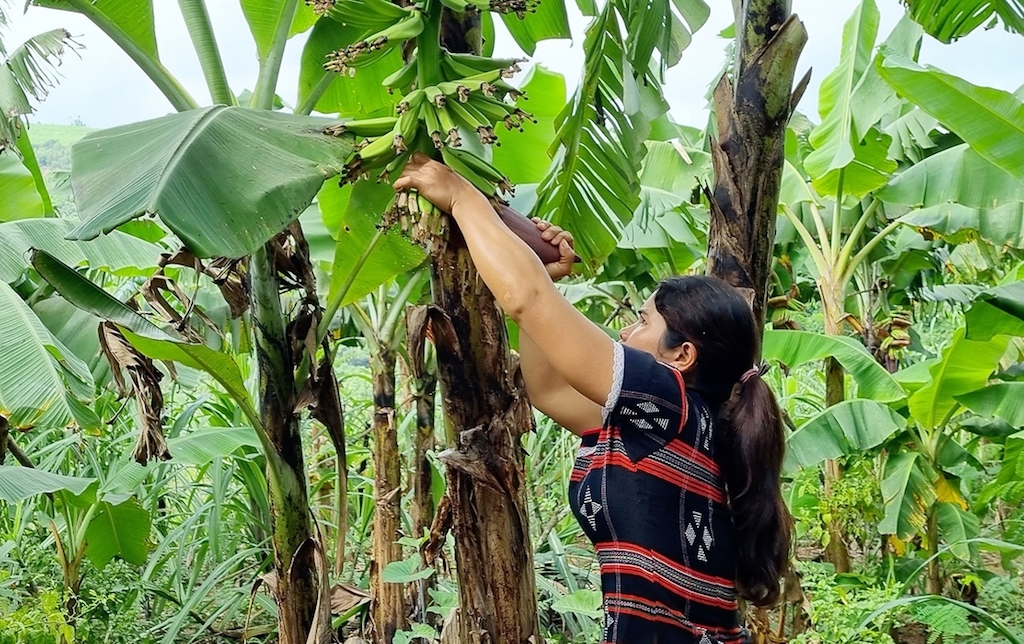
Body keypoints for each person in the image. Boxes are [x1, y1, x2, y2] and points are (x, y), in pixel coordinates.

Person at [395, 153, 791, 644]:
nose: (626, 329)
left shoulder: (671, 403)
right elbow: (549, 389)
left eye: (644, 322)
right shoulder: (672, 426)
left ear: (682, 356)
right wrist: (547, 269)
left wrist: (460, 196)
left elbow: (527, 299)